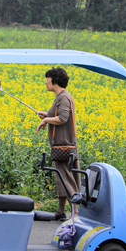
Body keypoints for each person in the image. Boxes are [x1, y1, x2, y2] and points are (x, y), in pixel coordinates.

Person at [37, 67, 79, 220]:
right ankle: (61, 211)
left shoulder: (63, 97)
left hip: (63, 145)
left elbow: (63, 118)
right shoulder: (60, 97)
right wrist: (47, 114)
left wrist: (46, 120)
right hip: (62, 144)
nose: (46, 82)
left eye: (47, 79)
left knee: (66, 179)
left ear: (54, 81)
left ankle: (75, 212)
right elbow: (59, 114)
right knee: (60, 177)